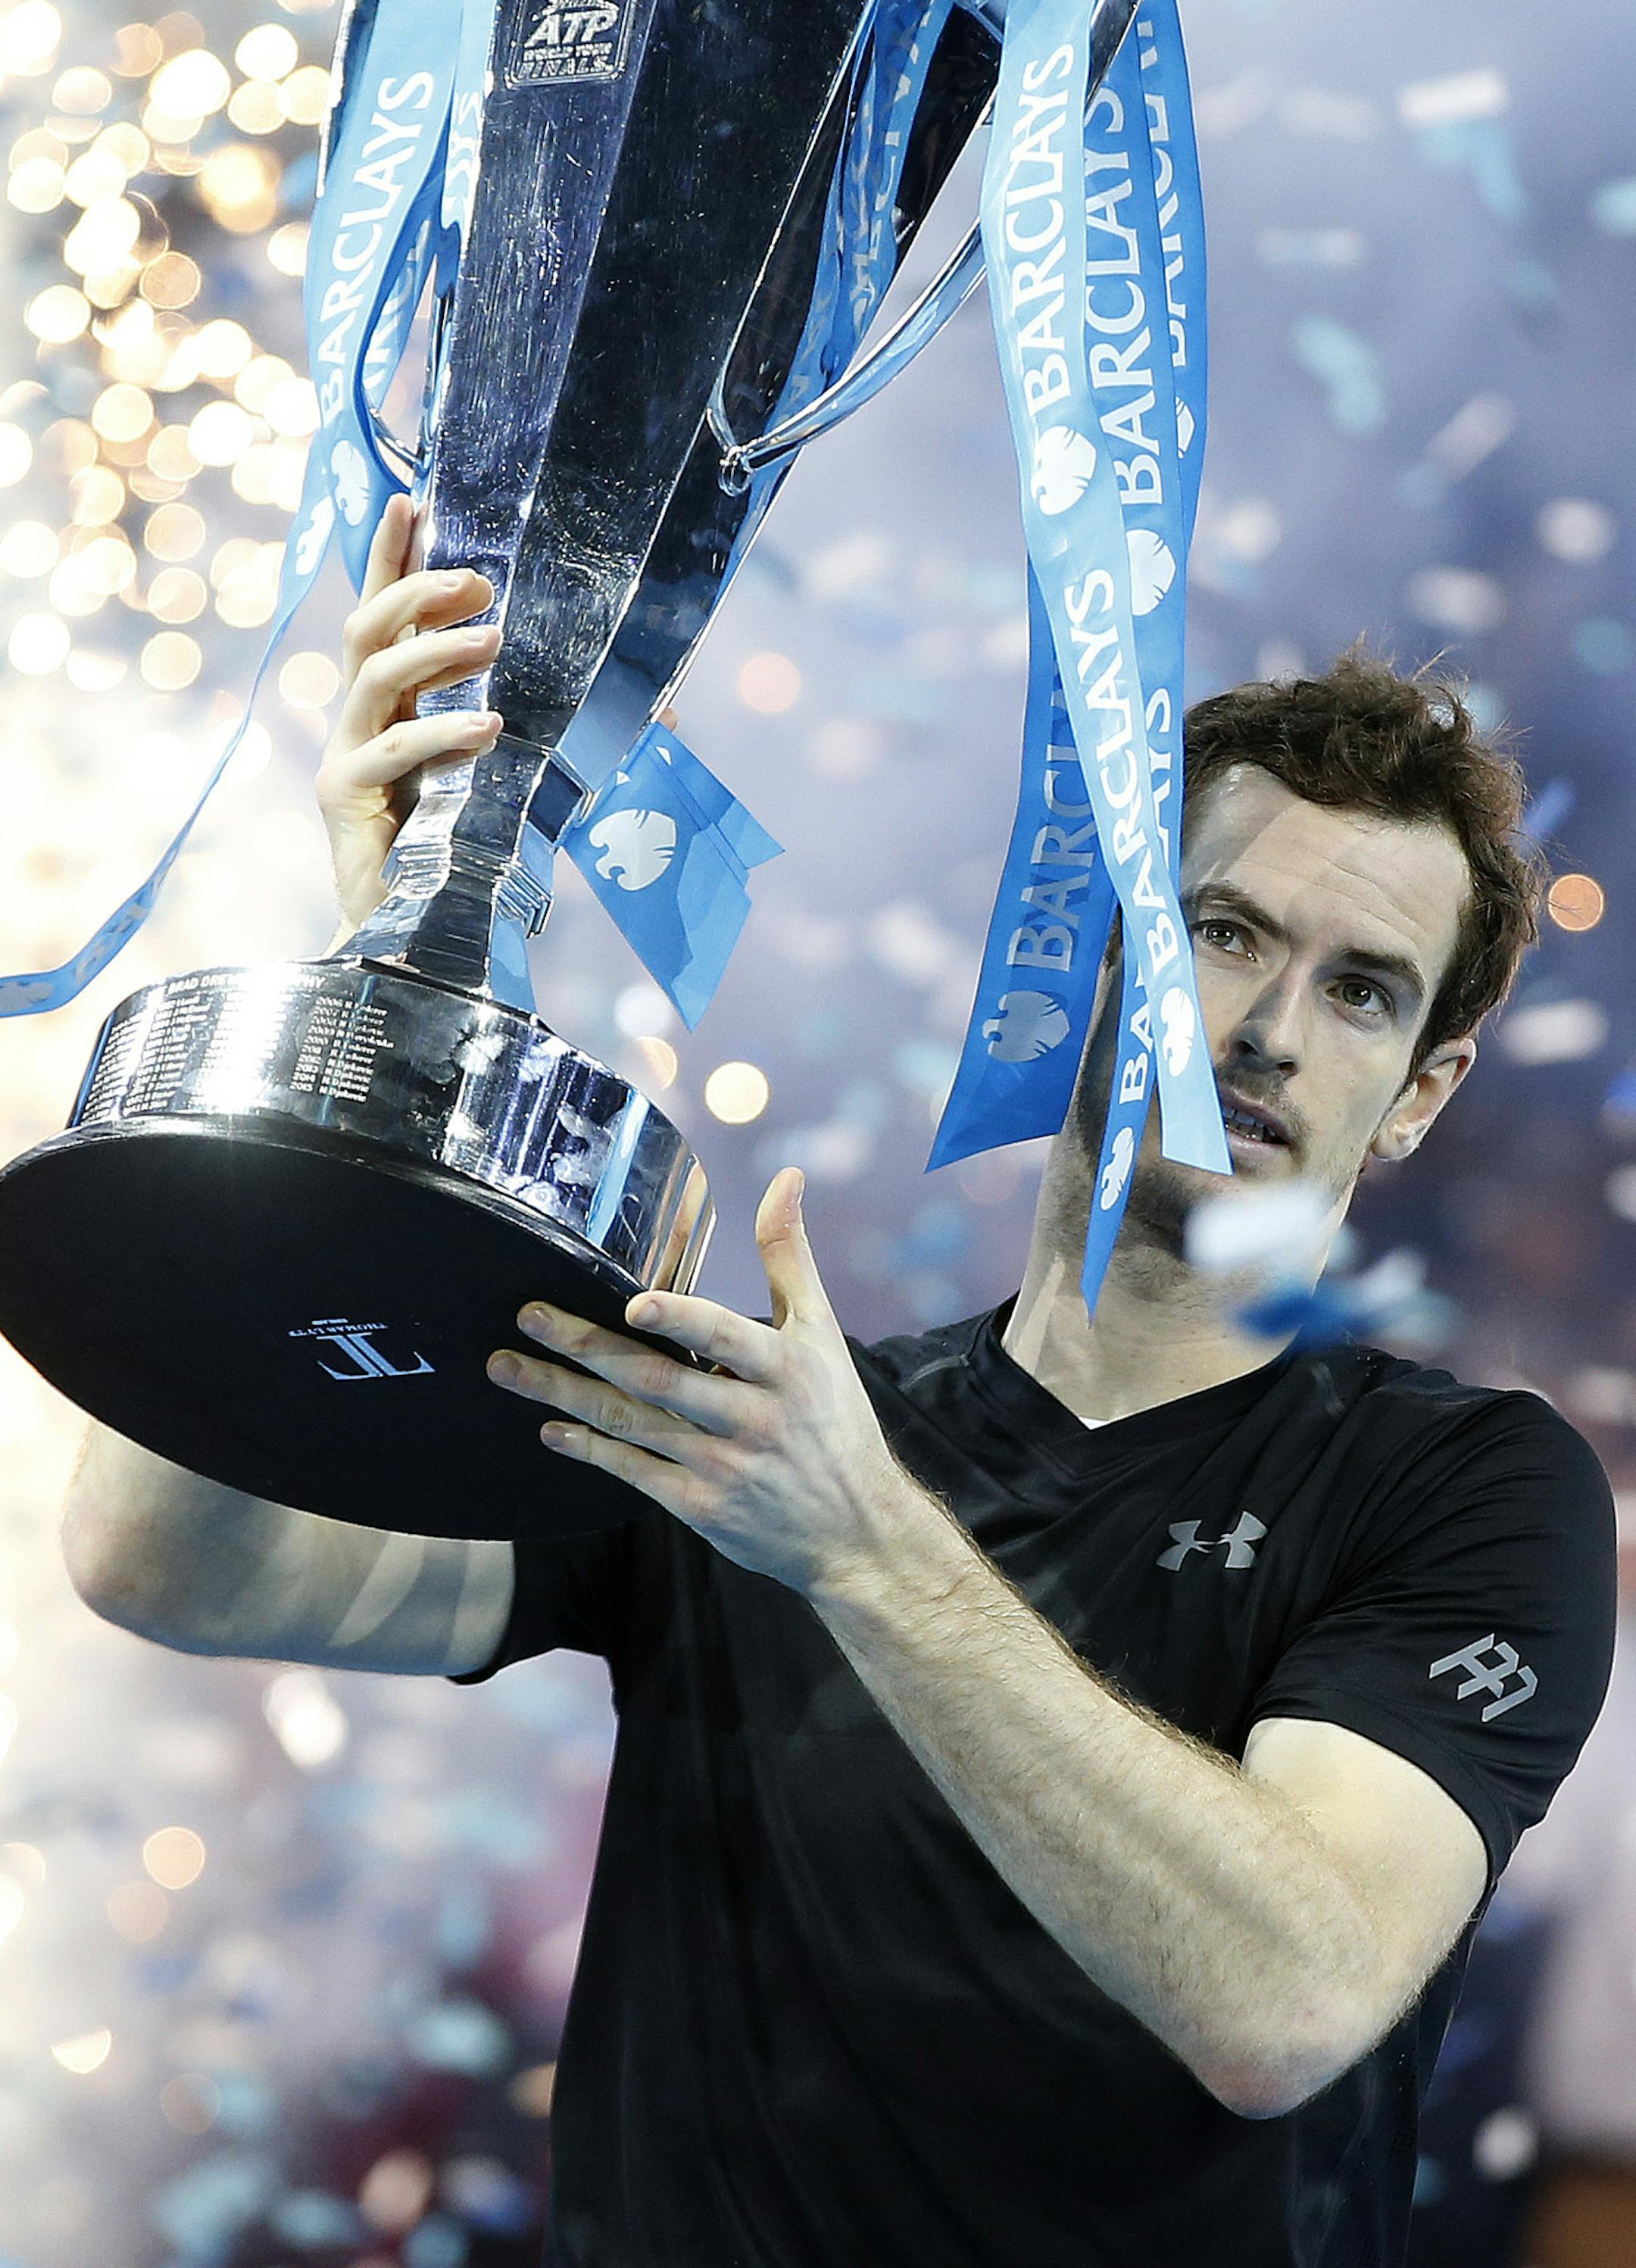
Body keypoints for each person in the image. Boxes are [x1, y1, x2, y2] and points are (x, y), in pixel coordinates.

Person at [62, 495, 1619, 2268]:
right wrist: (382, 994)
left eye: (1362, 993)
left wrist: (862, 1547)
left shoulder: (1472, 1489)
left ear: (1421, 1091)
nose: (1266, 1031)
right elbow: (168, 1557)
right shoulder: (767, 1429)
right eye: (1225, 935)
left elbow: (1287, 1999)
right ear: (1094, 949)